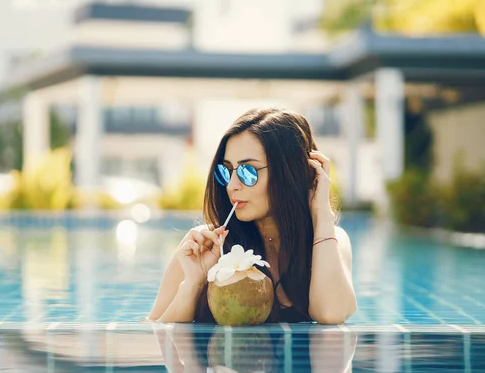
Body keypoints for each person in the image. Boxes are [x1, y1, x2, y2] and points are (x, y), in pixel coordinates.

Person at [148, 107, 357, 324]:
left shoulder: (328, 240)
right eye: (226, 171)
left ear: (290, 173)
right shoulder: (203, 247)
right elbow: (152, 336)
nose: (231, 185)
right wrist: (193, 284)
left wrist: (322, 213)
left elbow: (331, 313)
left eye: (248, 172)